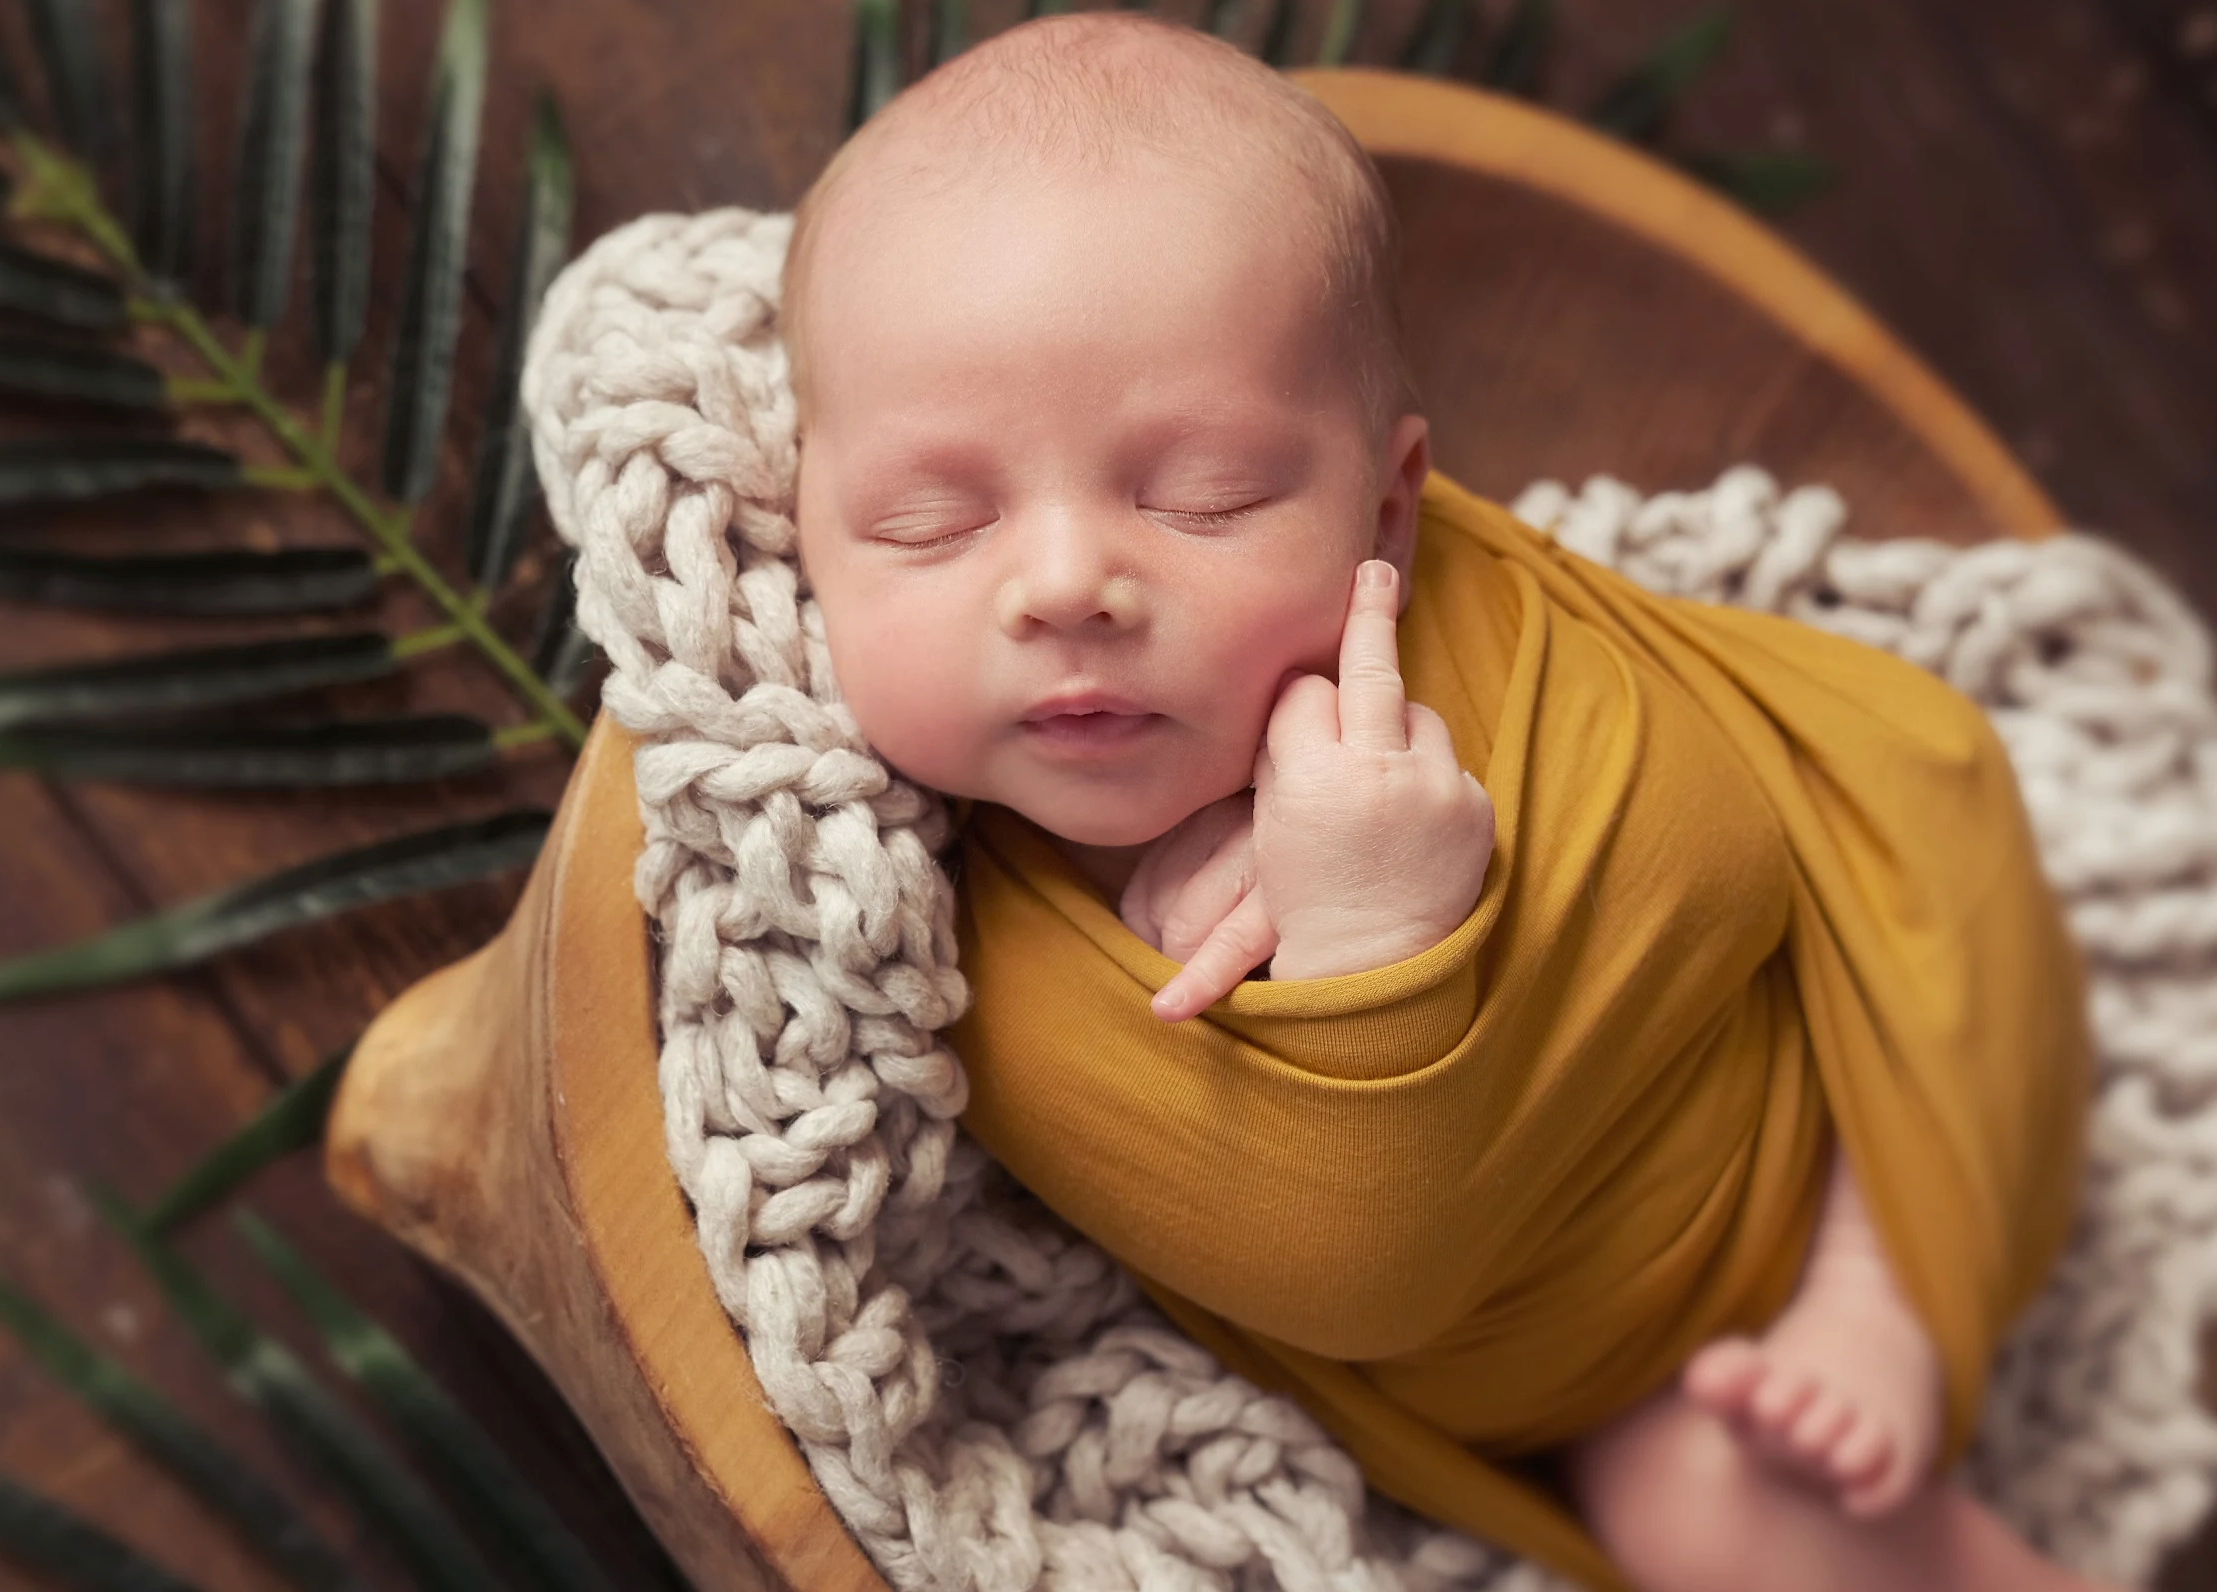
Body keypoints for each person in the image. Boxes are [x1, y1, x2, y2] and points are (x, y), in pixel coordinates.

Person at [778, 12, 2103, 1591]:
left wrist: (1361, 844)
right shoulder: (948, 960)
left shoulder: (1454, 615)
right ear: (805, 527)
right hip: (1617, 1369)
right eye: (930, 523)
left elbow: (1728, 840)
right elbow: (1355, 1280)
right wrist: (1367, 955)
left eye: (1202, 495)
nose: (1065, 583)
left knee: (1928, 769)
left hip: (1857, 1088)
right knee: (1711, 1512)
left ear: (1389, 506)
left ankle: (1879, 1280)